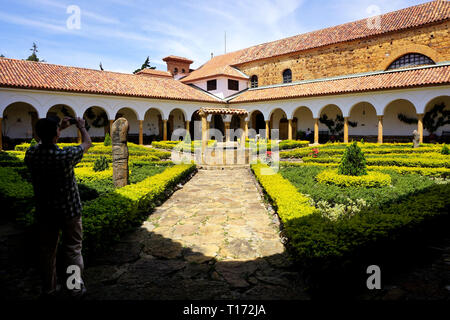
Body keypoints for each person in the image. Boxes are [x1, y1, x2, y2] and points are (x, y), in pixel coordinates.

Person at [24, 115, 92, 299]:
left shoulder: (31, 154)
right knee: (72, 250)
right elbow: (87, 143)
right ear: (56, 135)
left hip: (45, 213)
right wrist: (81, 126)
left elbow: (43, 141)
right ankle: (74, 287)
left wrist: (57, 129)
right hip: (69, 212)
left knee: (47, 252)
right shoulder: (65, 156)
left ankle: (49, 288)